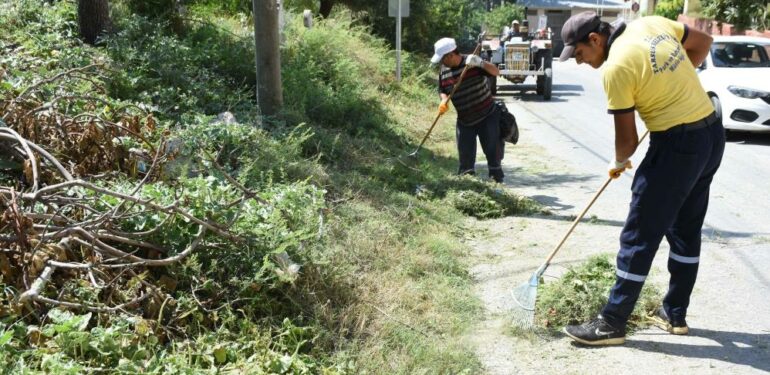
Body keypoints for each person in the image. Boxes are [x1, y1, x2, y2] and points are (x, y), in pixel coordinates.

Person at [558, 12, 725, 346]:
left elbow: (627, 143)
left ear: (595, 40)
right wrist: (672, 88)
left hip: (676, 148)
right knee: (685, 229)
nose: (579, 62)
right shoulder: (649, 24)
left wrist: (618, 161)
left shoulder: (616, 68)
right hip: (710, 135)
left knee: (639, 235)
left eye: (579, 54)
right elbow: (703, 43)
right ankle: (674, 313)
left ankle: (611, 323)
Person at [431, 37, 504, 182]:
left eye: (442, 59)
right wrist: (444, 100)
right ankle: (468, 186)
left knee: (493, 154)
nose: (441, 62)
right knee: (465, 161)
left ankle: (497, 183)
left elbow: (496, 72)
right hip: (465, 121)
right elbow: (442, 88)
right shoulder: (444, 70)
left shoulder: (472, 63)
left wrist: (481, 63)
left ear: (451, 55)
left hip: (487, 116)